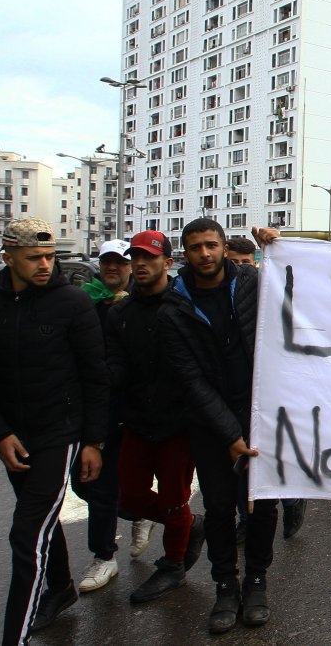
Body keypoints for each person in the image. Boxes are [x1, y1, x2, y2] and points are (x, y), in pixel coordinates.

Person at [0, 218, 109, 646]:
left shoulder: (72, 303)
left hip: (62, 431)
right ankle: (61, 588)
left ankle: (13, 638)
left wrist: (93, 441)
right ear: (8, 257)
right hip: (15, 436)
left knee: (26, 534)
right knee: (43, 523)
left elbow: (95, 375)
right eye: (34, 256)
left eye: (50, 256)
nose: (44, 264)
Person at [157, 220, 279, 633]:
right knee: (220, 507)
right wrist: (230, 435)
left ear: (225, 248)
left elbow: (298, 287)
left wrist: (279, 247)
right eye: (195, 248)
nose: (205, 254)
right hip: (209, 423)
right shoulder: (174, 304)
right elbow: (188, 378)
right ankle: (225, 586)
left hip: (260, 413)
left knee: (264, 504)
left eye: (212, 245)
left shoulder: (250, 282)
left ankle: (257, 581)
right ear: (184, 254)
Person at [108, 230, 206, 603]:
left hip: (178, 425)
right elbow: (114, 363)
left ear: (167, 263)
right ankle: (189, 526)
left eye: (149, 257)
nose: (141, 264)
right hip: (136, 421)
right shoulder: (121, 313)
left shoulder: (185, 307)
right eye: (136, 258)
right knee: (130, 497)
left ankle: (174, 565)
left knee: (172, 499)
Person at [224, 238, 307, 542]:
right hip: (237, 391)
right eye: (234, 262)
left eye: (246, 263)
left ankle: (292, 500)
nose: (240, 269)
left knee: (273, 453)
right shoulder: (217, 294)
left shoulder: (270, 289)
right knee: (242, 460)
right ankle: (246, 518)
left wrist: (279, 246)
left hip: (271, 387)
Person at [72, 240, 143, 593]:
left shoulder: (140, 303)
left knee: (100, 484)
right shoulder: (85, 301)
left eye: (120, 262)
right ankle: (139, 514)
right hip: (88, 403)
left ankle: (104, 556)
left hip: (124, 407)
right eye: (107, 263)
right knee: (81, 484)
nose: (113, 268)